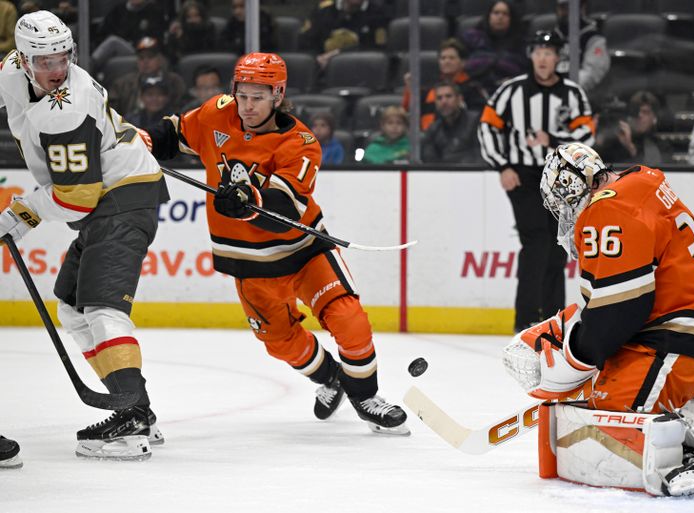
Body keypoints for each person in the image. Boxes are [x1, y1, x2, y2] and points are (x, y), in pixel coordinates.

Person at [139, 52, 409, 435]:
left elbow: (284, 206)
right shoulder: (218, 112)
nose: (246, 106)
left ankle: (366, 397)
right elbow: (175, 132)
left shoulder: (300, 142)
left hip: (302, 251)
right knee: (282, 344)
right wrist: (143, 139)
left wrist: (250, 203)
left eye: (258, 98)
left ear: (278, 95)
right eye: (242, 95)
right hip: (248, 264)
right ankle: (333, 378)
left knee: (349, 319)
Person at [505, 142, 694, 495]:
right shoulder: (640, 181)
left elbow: (621, 310)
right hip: (691, 339)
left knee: (601, 411)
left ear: (571, 187)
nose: (565, 213)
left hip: (676, 350)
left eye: (562, 201)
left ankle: (693, 452)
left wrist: (578, 357)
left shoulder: (606, 208)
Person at [0, 11, 168, 460]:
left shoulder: (66, 110)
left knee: (102, 307)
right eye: (45, 62)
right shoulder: (12, 71)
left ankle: (131, 421)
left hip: (120, 197)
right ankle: (137, 410)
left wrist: (20, 214)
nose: (57, 71)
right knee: (74, 307)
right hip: (110, 196)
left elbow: (76, 198)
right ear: (22, 59)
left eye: (63, 59)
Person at [477, 30, 594, 333]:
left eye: (549, 51)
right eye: (538, 51)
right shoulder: (511, 91)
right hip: (524, 176)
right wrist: (502, 165)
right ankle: (527, 320)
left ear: (558, 57)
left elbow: (587, 135)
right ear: (531, 56)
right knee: (535, 242)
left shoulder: (572, 93)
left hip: (560, 178)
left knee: (557, 248)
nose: (543, 57)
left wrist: (554, 140)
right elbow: (488, 127)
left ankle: (554, 320)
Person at [401, 38, 487, 130]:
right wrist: (410, 89)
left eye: (451, 58)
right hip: (428, 137)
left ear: (463, 62)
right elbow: (410, 112)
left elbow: (479, 119)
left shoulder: (473, 89)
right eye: (443, 58)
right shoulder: (431, 88)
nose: (446, 61)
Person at [459, 0, 528, 94]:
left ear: (511, 18)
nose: (500, 17)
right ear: (489, 16)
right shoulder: (471, 38)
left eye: (505, 14)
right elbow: (461, 65)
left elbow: (523, 71)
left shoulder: (520, 43)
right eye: (496, 13)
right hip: (473, 91)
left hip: (511, 91)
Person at [108, 37, 186, 118]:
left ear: (160, 59)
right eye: (141, 58)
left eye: (150, 57)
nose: (145, 61)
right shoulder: (122, 84)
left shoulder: (174, 82)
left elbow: (181, 109)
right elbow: (111, 113)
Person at [90, 0, 167, 73]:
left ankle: (89, 65)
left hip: (142, 51)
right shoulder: (118, 10)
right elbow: (103, 33)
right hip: (120, 50)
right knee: (112, 41)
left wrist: (137, 44)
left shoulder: (153, 11)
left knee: (113, 41)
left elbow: (156, 39)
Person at [552, 0, 609, 93]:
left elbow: (591, 74)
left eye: (569, 7)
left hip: (582, 95)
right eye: (562, 7)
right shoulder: (554, 35)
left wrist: (564, 90)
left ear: (582, 8)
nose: (566, 12)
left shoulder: (593, 38)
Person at [421, 81, 480, 163]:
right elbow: (429, 160)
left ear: (459, 99)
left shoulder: (476, 121)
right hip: (443, 174)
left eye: (448, 96)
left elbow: (480, 157)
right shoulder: (433, 129)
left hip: (472, 173)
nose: (444, 101)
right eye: (439, 98)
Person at [614, 90, 672, 164]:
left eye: (645, 112)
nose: (640, 115)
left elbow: (653, 172)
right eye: (636, 111)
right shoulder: (617, 142)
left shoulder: (663, 147)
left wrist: (630, 148)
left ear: (654, 118)